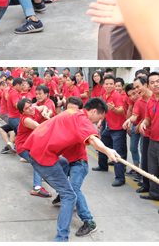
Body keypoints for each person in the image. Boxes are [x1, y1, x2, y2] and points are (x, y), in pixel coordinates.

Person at [23, 98, 120, 241]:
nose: (97, 122)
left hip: (38, 150)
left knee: (63, 165)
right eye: (99, 118)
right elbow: (93, 140)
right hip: (43, 157)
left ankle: (63, 190)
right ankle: (61, 239)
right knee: (70, 195)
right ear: (93, 111)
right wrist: (107, 150)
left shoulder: (71, 112)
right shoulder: (83, 120)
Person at [92, 75, 126, 186]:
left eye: (111, 84)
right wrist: (100, 121)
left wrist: (114, 109)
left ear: (114, 85)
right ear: (104, 85)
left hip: (118, 129)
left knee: (117, 152)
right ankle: (103, 166)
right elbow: (105, 111)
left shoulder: (116, 96)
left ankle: (120, 178)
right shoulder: (105, 95)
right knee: (102, 145)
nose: (109, 86)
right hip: (109, 127)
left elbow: (121, 110)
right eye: (107, 84)